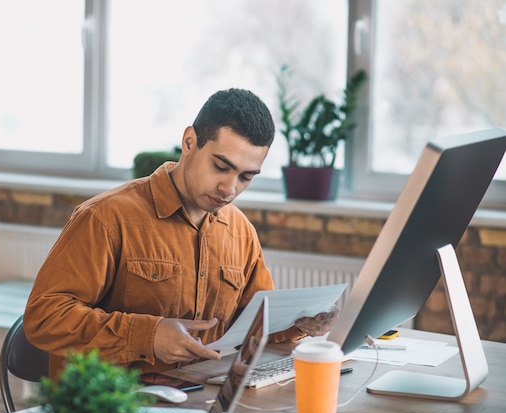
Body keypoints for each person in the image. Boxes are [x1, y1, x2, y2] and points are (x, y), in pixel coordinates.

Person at [23, 88, 338, 378]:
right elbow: (44, 318)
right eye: (220, 166)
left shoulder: (240, 232)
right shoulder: (106, 218)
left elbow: (254, 325)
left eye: (246, 176)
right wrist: (148, 335)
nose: (230, 188)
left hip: (198, 400)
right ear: (189, 142)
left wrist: (300, 323)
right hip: (113, 404)